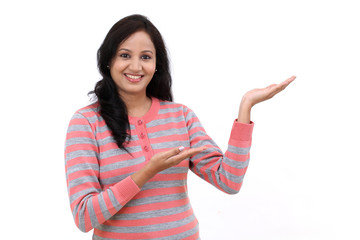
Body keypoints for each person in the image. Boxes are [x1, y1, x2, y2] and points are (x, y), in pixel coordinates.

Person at [64, 14, 295, 240]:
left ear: (157, 65)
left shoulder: (180, 116)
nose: (135, 66)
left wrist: (246, 106)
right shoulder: (86, 123)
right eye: (125, 55)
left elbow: (230, 181)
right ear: (108, 60)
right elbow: (84, 217)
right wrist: (146, 172)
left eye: (146, 57)